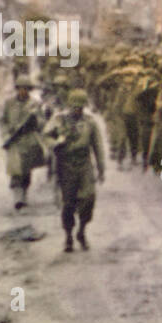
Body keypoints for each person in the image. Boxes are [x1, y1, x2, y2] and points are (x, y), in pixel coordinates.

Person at [43, 89, 106, 253]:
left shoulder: (90, 122)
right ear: (69, 105)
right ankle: (68, 235)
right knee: (68, 203)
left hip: (84, 163)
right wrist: (56, 143)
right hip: (66, 164)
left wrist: (101, 168)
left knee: (89, 198)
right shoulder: (59, 119)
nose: (77, 110)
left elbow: (97, 146)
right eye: (74, 107)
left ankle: (82, 231)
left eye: (80, 107)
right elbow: (46, 135)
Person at [0, 77, 45, 210]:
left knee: (26, 171)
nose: (23, 91)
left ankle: (24, 193)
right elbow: (3, 121)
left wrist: (35, 118)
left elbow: (42, 123)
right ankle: (18, 198)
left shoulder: (35, 104)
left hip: (29, 140)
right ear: (17, 89)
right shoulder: (9, 103)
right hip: (14, 141)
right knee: (15, 170)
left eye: (25, 88)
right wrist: (5, 135)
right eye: (20, 88)